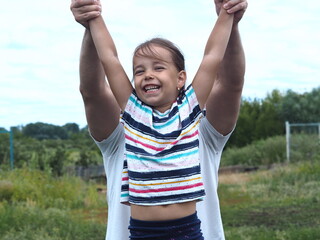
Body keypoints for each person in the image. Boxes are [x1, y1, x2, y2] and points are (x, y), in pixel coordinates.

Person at [70, 0, 247, 239]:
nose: (147, 75)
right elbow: (109, 59)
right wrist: (93, 17)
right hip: (143, 233)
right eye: (139, 71)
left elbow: (212, 58)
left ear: (180, 78)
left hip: (188, 231)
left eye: (158, 68)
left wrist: (228, 11)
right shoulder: (133, 115)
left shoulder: (190, 111)